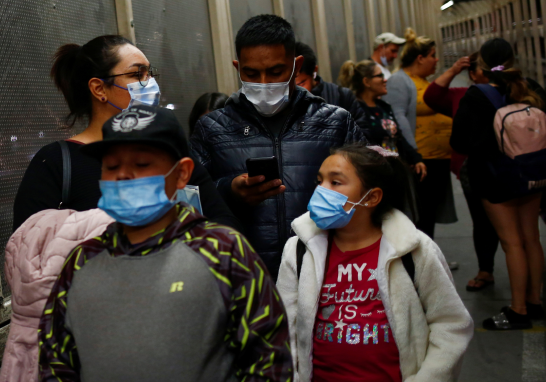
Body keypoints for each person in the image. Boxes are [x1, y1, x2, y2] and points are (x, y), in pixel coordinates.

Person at [38, 105, 293, 381]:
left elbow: (269, 361)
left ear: (182, 173)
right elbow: (55, 361)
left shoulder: (223, 251)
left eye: (141, 164)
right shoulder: (82, 261)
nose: (123, 175)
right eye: (111, 166)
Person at [276, 143, 473, 381]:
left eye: (335, 182)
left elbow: (450, 324)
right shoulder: (298, 250)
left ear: (371, 197)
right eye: (320, 181)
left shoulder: (413, 250)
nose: (321, 190)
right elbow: (283, 327)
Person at [190, 15, 365, 280]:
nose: (263, 83)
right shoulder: (212, 129)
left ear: (296, 66)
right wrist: (229, 191)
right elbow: (189, 203)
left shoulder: (335, 122)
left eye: (275, 72)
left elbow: (370, 193)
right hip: (246, 275)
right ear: (238, 68)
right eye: (251, 73)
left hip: (326, 272)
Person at [13, 35, 242, 233]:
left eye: (149, 73)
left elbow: (223, 223)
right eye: (137, 75)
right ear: (99, 89)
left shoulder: (171, 151)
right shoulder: (55, 163)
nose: (150, 83)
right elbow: (32, 251)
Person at [452, 38, 546, 329]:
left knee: (511, 242)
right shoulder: (529, 86)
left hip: (494, 179)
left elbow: (459, 142)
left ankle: (517, 311)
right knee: (531, 238)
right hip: (531, 173)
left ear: (482, 66)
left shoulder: (476, 96)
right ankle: (534, 301)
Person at [424, 53, 500, 292]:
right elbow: (433, 96)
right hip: (474, 170)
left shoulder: (511, 92)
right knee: (483, 221)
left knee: (508, 227)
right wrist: (454, 69)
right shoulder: (461, 95)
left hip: (503, 168)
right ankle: (486, 269)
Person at [383, 28, 457, 245]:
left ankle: (430, 256)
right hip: (422, 158)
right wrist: (414, 154)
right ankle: (419, 260)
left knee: (430, 212)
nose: (436, 60)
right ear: (420, 58)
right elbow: (399, 117)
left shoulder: (425, 81)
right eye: (433, 55)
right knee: (421, 214)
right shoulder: (400, 80)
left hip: (439, 158)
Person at [337, 59, 426, 178]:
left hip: (396, 171)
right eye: (380, 76)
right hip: (375, 174)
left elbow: (398, 136)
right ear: (366, 81)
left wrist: (416, 158)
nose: (385, 80)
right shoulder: (356, 110)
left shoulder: (384, 106)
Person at [294, 42, 371, 138]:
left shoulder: (341, 96)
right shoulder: (285, 103)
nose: (295, 89)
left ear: (314, 71)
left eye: (301, 83)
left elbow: (362, 135)